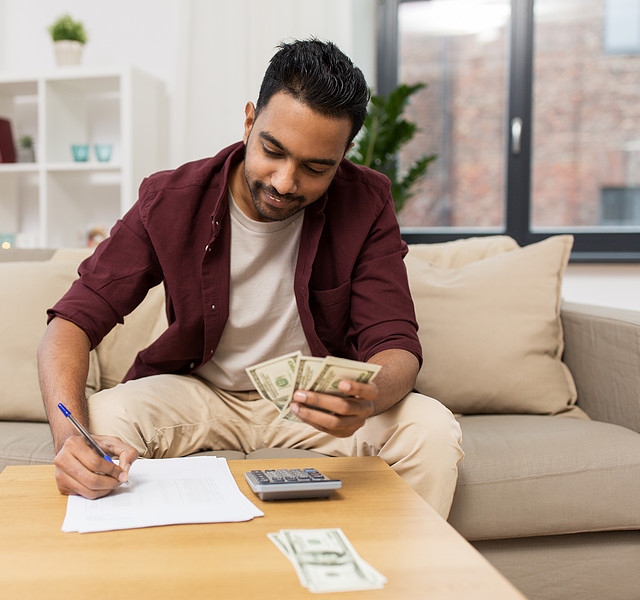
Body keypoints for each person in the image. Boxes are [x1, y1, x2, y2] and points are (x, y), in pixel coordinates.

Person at [38, 38, 464, 518]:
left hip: (313, 403)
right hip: (199, 391)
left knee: (429, 428)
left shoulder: (366, 201)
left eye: (315, 167)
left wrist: (368, 398)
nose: (285, 181)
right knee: (104, 420)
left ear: (343, 156)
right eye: (272, 150)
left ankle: (400, 586)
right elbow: (72, 322)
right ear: (249, 121)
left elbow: (395, 342)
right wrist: (69, 436)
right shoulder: (172, 198)